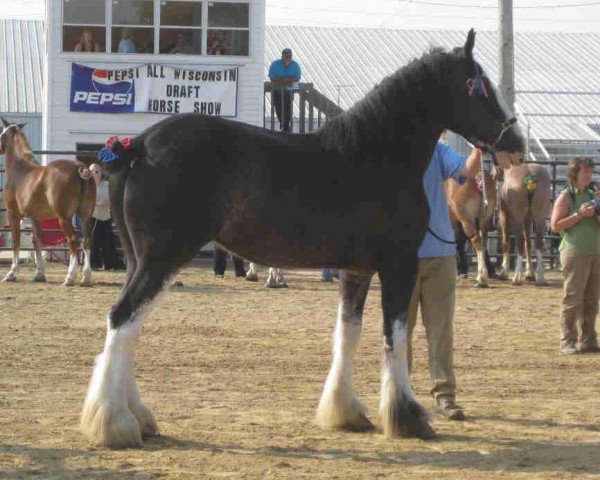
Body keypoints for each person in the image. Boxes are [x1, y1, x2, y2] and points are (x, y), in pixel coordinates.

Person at [407, 143, 489, 421]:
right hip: (401, 255)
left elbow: (466, 171)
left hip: (440, 253)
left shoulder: (438, 150)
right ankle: (401, 395)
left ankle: (444, 396)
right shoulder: (391, 145)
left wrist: (478, 151)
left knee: (441, 332)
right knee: (399, 333)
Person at [550, 157, 600, 355]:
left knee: (592, 298)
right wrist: (579, 215)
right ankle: (567, 341)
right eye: (584, 171)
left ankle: (588, 339)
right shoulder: (566, 197)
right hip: (574, 251)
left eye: (590, 171)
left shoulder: (593, 195)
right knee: (573, 297)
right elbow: (555, 226)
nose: (588, 175)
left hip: (596, 250)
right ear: (574, 174)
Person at [89, 164, 124, 271]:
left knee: (108, 241)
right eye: (95, 171)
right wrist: (98, 203)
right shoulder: (89, 186)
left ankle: (110, 263)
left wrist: (108, 204)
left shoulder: (107, 184)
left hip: (106, 216)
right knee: (94, 241)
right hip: (94, 216)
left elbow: (114, 198)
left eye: (98, 171)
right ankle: (94, 264)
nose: (97, 173)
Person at [268, 48, 301, 132]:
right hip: (277, 91)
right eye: (286, 56)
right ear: (282, 56)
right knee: (278, 108)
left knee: (288, 109)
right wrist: (286, 80)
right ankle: (284, 126)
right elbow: (272, 77)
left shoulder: (295, 65)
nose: (287, 58)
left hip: (289, 91)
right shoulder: (275, 64)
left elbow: (297, 78)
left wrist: (283, 80)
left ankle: (285, 127)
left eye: (289, 57)